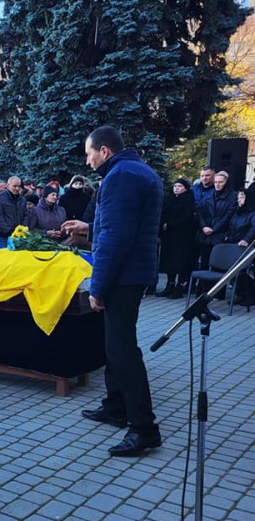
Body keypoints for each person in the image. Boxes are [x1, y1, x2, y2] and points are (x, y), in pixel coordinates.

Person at [78, 126, 163, 457]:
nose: (88, 162)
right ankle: (115, 406)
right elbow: (123, 225)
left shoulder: (119, 177)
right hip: (132, 272)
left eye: (89, 154)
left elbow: (116, 238)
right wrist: (89, 227)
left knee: (123, 350)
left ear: (104, 151)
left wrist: (98, 287)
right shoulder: (136, 170)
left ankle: (144, 428)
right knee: (115, 346)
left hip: (123, 276)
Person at [156, 178, 197, 298]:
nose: (177, 188)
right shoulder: (170, 199)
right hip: (168, 236)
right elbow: (163, 213)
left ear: (185, 188)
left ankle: (180, 287)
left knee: (181, 262)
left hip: (183, 237)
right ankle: (170, 285)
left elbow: (186, 217)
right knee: (170, 262)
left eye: (179, 186)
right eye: (175, 186)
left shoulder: (188, 200)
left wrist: (170, 224)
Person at [196, 170, 238, 270]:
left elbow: (228, 216)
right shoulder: (210, 195)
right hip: (206, 235)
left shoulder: (233, 197)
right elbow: (200, 212)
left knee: (218, 267)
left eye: (220, 182)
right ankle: (203, 286)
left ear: (226, 182)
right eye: (215, 182)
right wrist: (204, 226)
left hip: (221, 235)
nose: (217, 185)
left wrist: (214, 229)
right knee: (204, 264)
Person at [0, 175, 28, 248]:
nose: (17, 188)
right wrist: (10, 231)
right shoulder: (0, 198)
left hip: (19, 237)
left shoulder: (22, 200)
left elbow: (26, 215)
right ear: (8, 186)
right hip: (2, 237)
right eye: (14, 186)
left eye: (19, 186)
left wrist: (22, 229)